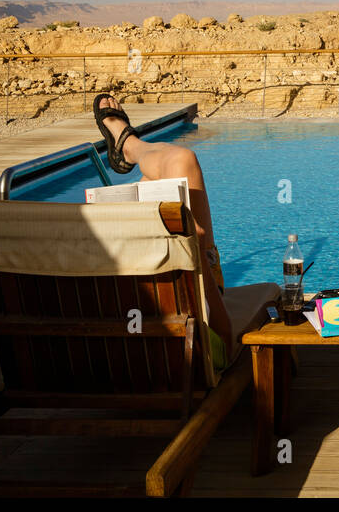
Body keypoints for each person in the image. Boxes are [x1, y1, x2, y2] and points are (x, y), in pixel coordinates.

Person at [92, 94, 234, 363]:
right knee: (181, 161)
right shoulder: (197, 341)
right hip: (191, 349)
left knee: (162, 177)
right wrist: (197, 252)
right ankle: (130, 146)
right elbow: (225, 338)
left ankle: (130, 146)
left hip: (117, 350)